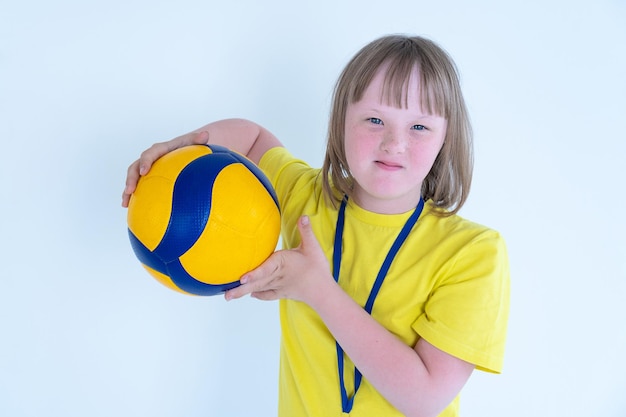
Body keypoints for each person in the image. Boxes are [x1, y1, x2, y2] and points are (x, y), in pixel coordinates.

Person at [122, 34, 510, 417]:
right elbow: (252, 137)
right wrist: (184, 148)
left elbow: (424, 399)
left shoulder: (473, 253)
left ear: (446, 137)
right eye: (375, 120)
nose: (394, 143)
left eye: (419, 127)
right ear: (341, 122)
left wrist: (316, 289)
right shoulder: (305, 198)